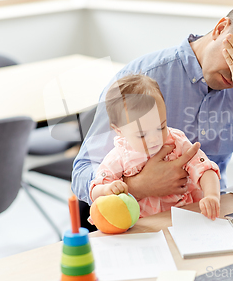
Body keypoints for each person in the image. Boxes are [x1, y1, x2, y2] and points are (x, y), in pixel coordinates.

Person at [72, 0, 233, 218]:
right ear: (220, 28)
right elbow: (81, 174)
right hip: (142, 222)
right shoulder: (142, 80)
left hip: (207, 217)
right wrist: (137, 186)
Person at [89, 74, 221, 220]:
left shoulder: (175, 142)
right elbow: (95, 190)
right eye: (142, 135)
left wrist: (212, 196)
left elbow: (206, 169)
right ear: (119, 130)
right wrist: (107, 189)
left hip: (186, 217)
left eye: (161, 127)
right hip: (144, 226)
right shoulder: (120, 156)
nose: (154, 139)